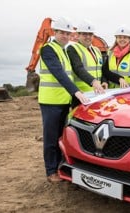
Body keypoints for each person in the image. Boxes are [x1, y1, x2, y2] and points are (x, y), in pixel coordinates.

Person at [38, 17, 89, 183]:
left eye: (68, 33)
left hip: (63, 101)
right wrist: (76, 92)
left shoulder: (64, 51)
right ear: (54, 32)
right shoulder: (48, 49)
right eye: (62, 33)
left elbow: (71, 75)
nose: (65, 36)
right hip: (50, 102)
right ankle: (51, 171)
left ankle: (60, 165)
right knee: (51, 137)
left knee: (61, 135)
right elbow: (58, 74)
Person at [67, 20, 128, 108]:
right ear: (78, 35)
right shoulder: (72, 49)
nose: (88, 37)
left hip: (97, 94)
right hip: (81, 95)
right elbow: (78, 69)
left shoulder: (96, 50)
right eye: (85, 34)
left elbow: (101, 70)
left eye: (90, 34)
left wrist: (104, 81)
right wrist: (94, 81)